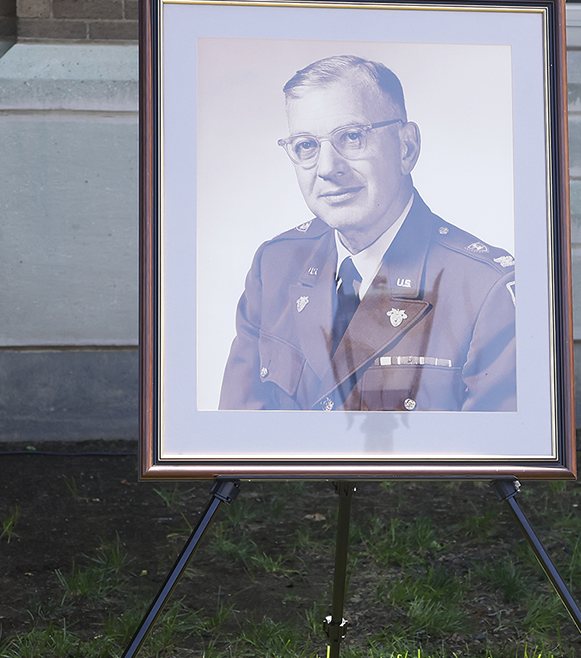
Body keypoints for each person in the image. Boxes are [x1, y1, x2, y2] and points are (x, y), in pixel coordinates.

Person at [219, 54, 518, 412]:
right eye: (306, 146)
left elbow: (491, 460)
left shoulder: (487, 289)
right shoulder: (274, 266)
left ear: (406, 148)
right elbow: (235, 440)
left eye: (351, 137)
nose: (328, 168)